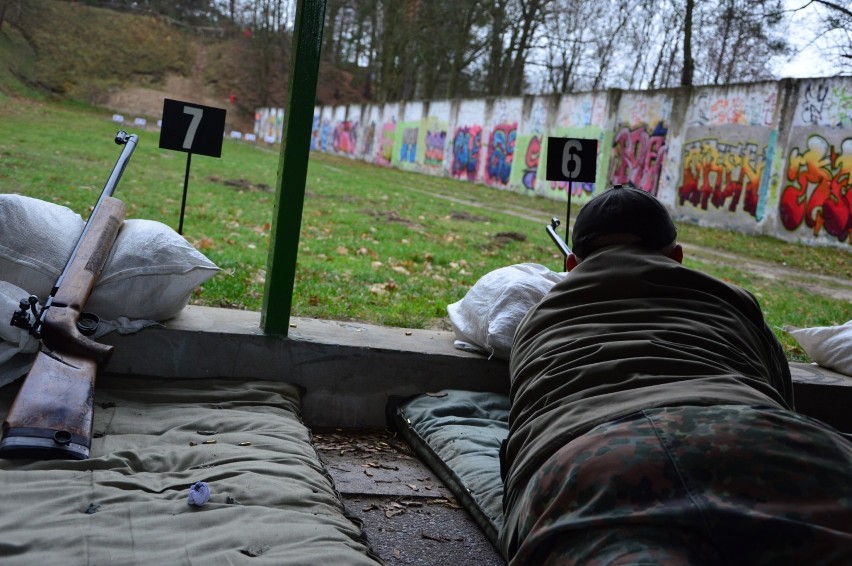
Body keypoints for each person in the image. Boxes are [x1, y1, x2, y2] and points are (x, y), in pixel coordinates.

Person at [498, 185, 852, 565]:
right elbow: (780, 396)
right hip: (767, 436)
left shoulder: (536, 320)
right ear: (678, 257)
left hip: (594, 464)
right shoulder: (733, 299)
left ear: (570, 266)